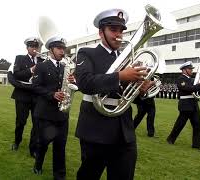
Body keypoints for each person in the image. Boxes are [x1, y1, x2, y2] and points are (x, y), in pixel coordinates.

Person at [74, 9, 152, 180]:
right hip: (95, 129)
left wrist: (141, 89)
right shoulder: (86, 53)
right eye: (113, 30)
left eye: (121, 30)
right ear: (101, 32)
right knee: (89, 176)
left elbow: (128, 96)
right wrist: (120, 76)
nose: (119, 35)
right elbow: (85, 83)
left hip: (124, 131)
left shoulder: (130, 59)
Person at [32, 36, 75, 180]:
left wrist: (73, 81)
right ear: (51, 50)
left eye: (63, 49)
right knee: (43, 142)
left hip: (62, 114)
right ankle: (38, 164)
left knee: (60, 145)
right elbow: (35, 87)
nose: (62, 51)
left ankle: (59, 175)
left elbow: (72, 86)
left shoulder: (66, 67)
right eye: (59, 48)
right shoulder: (42, 66)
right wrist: (52, 94)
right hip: (46, 114)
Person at [10, 37, 45, 158]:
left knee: (37, 124)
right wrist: (31, 69)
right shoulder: (20, 58)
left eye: (36, 46)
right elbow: (17, 74)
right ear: (27, 47)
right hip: (22, 95)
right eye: (31, 46)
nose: (34, 48)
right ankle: (17, 141)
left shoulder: (42, 60)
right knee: (20, 122)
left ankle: (33, 148)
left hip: (37, 96)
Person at [166, 61, 200, 151]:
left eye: (191, 69)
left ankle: (196, 145)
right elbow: (188, 89)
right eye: (190, 69)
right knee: (180, 124)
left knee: (197, 125)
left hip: (194, 104)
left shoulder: (192, 79)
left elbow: (197, 90)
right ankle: (170, 139)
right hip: (185, 104)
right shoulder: (181, 79)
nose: (191, 70)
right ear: (184, 70)